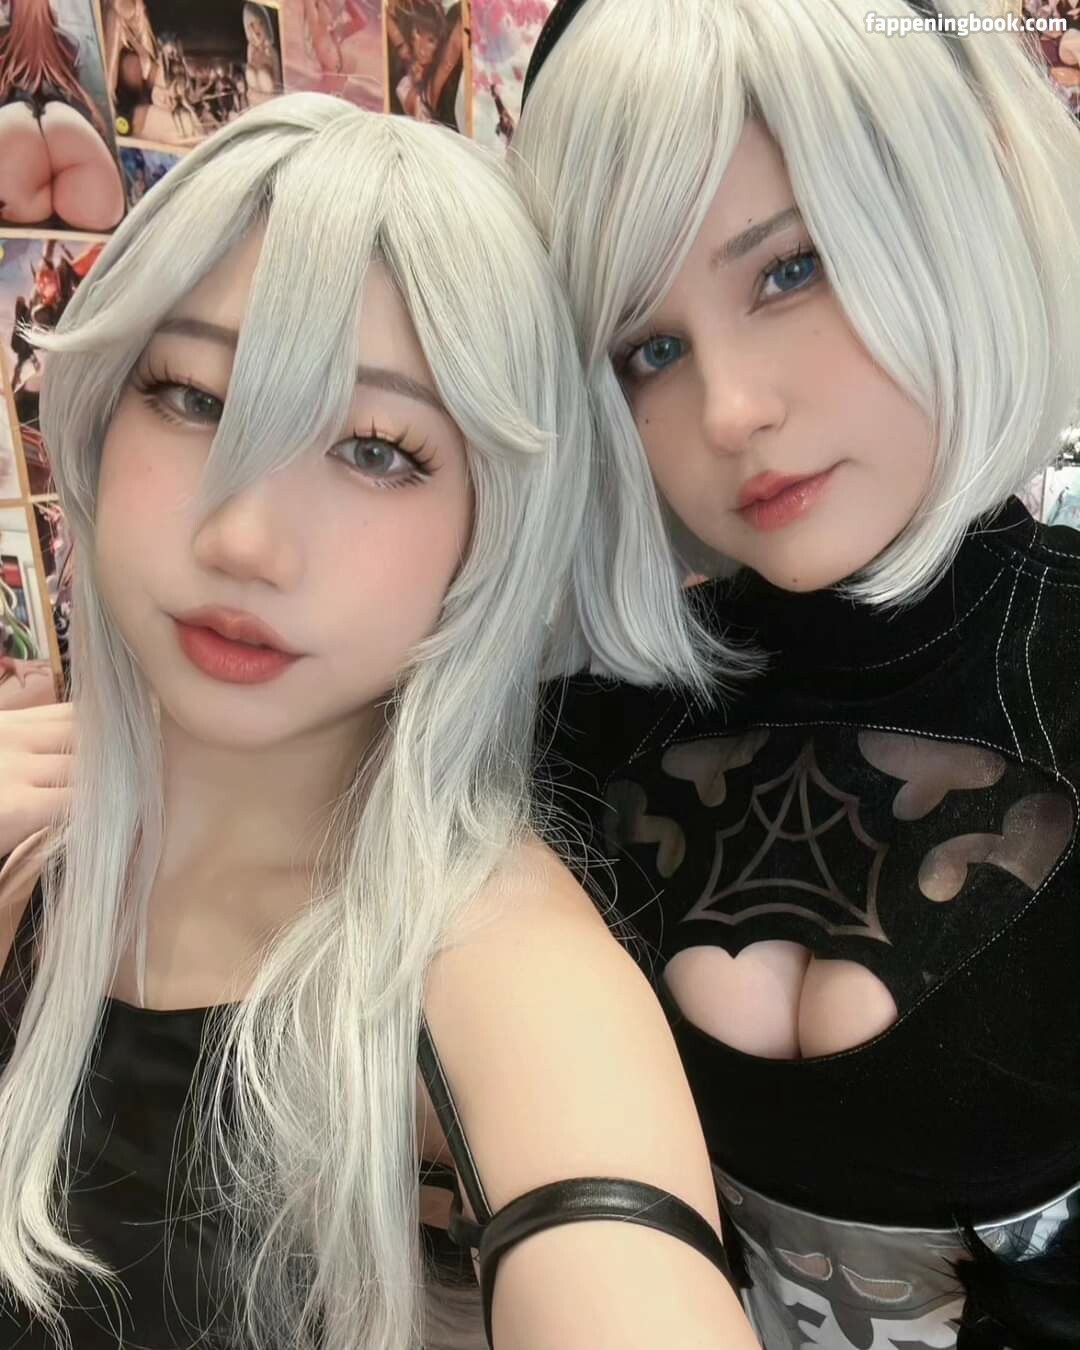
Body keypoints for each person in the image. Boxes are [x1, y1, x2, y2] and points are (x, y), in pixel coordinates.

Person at [0, 93, 758, 1350]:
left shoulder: (508, 978)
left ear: (496, 522)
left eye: (376, 449)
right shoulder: (37, 850)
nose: (245, 538)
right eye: (193, 397)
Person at [510, 1, 1080, 1346]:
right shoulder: (589, 723)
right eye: (649, 349)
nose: (729, 411)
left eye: (790, 269)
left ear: (949, 215)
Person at [0, 0, 125, 231]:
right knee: (102, 214)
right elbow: (77, 87)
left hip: (12, 125)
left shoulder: (4, 38)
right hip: (68, 123)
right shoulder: (68, 42)